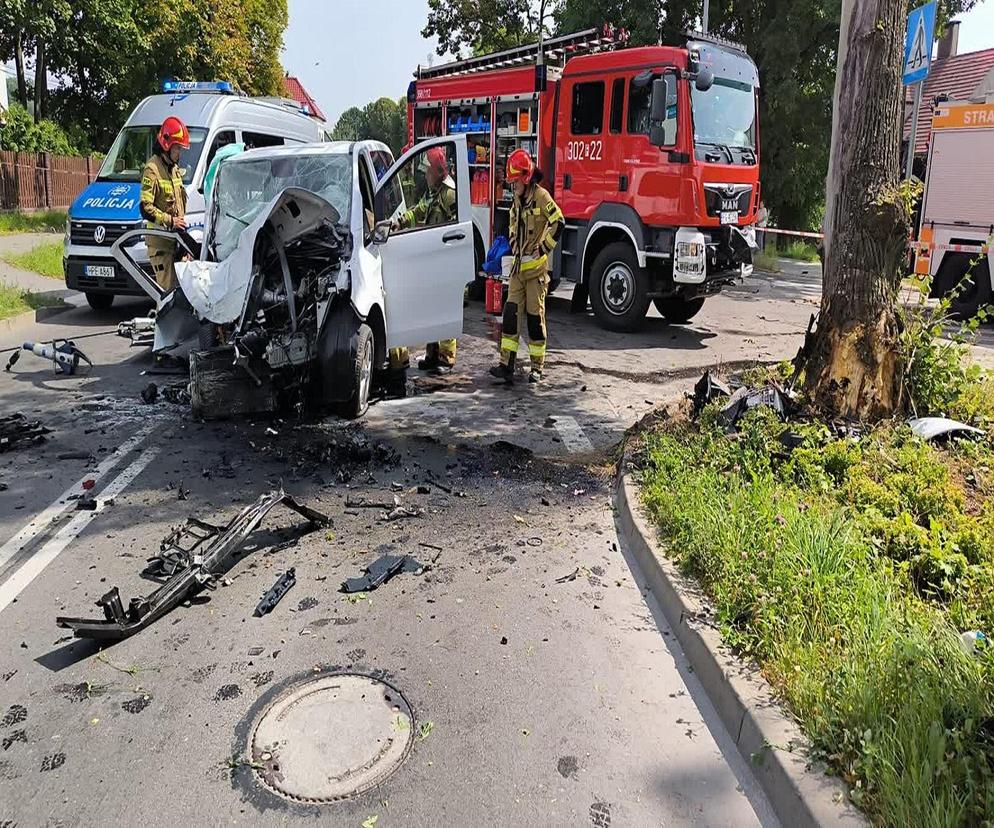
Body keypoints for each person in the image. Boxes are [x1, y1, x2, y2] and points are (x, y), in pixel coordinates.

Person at [489, 149, 564, 384]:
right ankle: (506, 364)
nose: (512, 188)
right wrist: (512, 241)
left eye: (515, 183)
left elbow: (558, 221)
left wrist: (543, 248)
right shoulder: (518, 200)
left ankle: (536, 368)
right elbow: (512, 221)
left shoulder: (541, 197)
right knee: (510, 316)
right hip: (518, 272)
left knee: (534, 319)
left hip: (536, 274)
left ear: (526, 178)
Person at [387, 146, 459, 377]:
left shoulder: (449, 194)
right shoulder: (433, 192)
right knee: (432, 306)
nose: (425, 175)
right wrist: (400, 222)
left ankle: (446, 357)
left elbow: (457, 226)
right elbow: (419, 211)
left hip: (445, 258)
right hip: (434, 256)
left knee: (444, 304)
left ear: (438, 172)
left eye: (428, 171)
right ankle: (432, 354)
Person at [140, 116, 189, 291]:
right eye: (177, 148)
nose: (179, 153)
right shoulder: (152, 169)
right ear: (167, 145)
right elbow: (145, 208)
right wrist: (170, 221)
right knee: (167, 292)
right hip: (160, 243)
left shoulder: (174, 169)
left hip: (174, 240)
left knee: (180, 291)